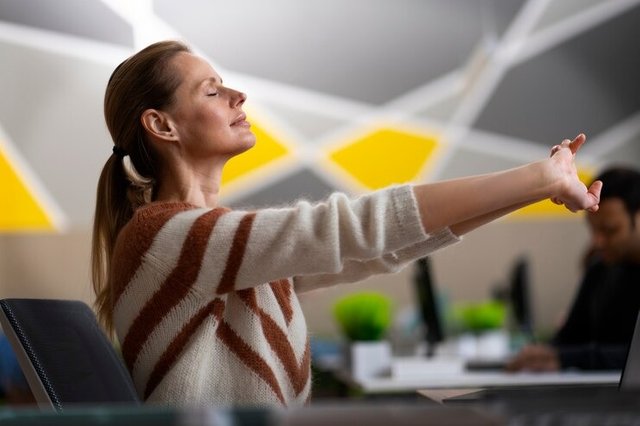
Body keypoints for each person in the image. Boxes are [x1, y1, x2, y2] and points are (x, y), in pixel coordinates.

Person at [91, 40, 600, 407]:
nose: (237, 96)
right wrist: (537, 177)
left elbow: (376, 249)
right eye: (212, 92)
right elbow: (351, 229)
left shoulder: (218, 250)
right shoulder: (160, 236)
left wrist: (543, 186)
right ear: (161, 125)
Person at [507, 166, 640, 372]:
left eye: (610, 230)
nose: (598, 241)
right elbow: (568, 340)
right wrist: (540, 354)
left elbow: (634, 357)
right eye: (593, 229)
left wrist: (567, 358)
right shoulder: (600, 269)